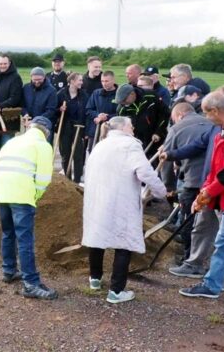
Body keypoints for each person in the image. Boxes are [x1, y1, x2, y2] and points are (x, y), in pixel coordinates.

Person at [82, 116, 167, 304]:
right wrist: (162, 191)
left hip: (97, 199)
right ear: (123, 128)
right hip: (121, 201)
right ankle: (116, 291)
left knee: (97, 237)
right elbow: (145, 172)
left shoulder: (100, 145)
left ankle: (95, 279)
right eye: (131, 125)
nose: (133, 128)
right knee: (124, 242)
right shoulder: (130, 146)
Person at [0, 116, 56, 300]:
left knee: (7, 233)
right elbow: (44, 178)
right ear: (47, 132)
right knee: (25, 238)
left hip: (3, 193)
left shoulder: (14, 141)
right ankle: (31, 283)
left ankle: (9, 270)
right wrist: (35, 195)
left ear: (30, 127)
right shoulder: (43, 145)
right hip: (22, 195)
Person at [179, 88, 224, 299]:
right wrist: (203, 194)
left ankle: (212, 285)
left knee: (222, 244)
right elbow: (214, 170)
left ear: (216, 111)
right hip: (222, 198)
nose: (206, 118)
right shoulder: (220, 134)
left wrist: (208, 191)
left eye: (207, 113)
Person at [160, 102, 219, 268]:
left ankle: (189, 259)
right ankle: (203, 257)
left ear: (179, 115)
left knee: (188, 220)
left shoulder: (177, 128)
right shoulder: (213, 126)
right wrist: (171, 154)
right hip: (212, 183)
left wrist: (169, 187)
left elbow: (166, 167)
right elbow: (196, 146)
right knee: (209, 224)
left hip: (198, 182)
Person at [115, 83, 169, 154]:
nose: (123, 104)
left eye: (124, 100)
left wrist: (158, 132)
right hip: (136, 144)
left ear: (132, 94)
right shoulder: (121, 109)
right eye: (121, 102)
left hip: (156, 139)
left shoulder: (151, 96)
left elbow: (165, 114)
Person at [56, 73, 88, 182]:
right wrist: (59, 109)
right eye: (79, 80)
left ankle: (77, 180)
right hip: (65, 126)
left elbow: (86, 112)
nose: (81, 82)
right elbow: (54, 110)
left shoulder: (83, 95)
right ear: (72, 81)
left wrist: (86, 130)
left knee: (78, 153)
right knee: (65, 153)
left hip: (79, 127)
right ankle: (68, 178)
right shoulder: (61, 94)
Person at [0, 54, 23, 149]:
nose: (2, 66)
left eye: (5, 63)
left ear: (10, 64)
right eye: (0, 63)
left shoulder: (15, 78)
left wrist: (0, 106)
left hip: (9, 119)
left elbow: (15, 98)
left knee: (6, 147)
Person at [85, 70, 118, 147]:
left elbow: (121, 113)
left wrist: (107, 117)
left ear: (113, 80)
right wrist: (98, 115)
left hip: (112, 131)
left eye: (107, 81)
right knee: (92, 151)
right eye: (102, 81)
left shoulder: (119, 94)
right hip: (95, 130)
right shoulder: (96, 93)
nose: (104, 83)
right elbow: (88, 110)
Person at [22, 67, 58, 135]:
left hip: (44, 126)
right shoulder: (26, 88)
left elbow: (51, 110)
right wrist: (25, 114)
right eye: (34, 79)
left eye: (39, 79)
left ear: (44, 77)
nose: (37, 82)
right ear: (31, 77)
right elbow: (23, 104)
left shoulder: (52, 91)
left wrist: (35, 121)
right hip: (28, 124)